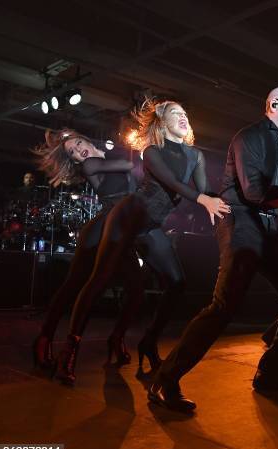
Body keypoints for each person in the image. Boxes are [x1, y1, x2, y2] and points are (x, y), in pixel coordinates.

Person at [148, 86, 278, 413]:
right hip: (241, 222)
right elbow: (254, 192)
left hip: (267, 227)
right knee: (224, 306)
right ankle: (165, 380)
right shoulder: (249, 137)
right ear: (273, 105)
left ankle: (269, 374)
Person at [51, 100, 229, 385]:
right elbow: (172, 182)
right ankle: (69, 349)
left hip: (151, 226)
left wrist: (237, 198)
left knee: (177, 283)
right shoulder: (151, 152)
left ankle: (148, 341)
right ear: (161, 122)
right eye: (174, 114)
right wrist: (203, 199)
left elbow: (206, 190)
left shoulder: (196, 156)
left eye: (185, 113)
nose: (183, 117)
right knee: (99, 279)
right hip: (127, 217)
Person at [32, 128, 140, 374]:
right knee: (74, 285)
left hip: (122, 230)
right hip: (100, 231)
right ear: (76, 161)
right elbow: (128, 166)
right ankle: (45, 339)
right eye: (72, 152)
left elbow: (133, 189)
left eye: (78, 143)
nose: (78, 149)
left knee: (136, 290)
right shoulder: (92, 163)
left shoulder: (102, 159)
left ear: (87, 141)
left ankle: (116, 338)